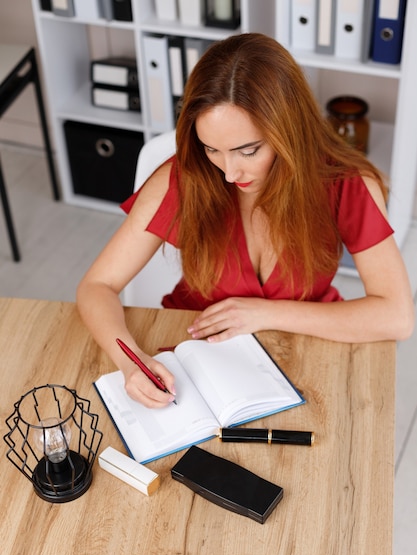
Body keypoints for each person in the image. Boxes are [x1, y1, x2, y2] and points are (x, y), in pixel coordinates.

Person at [77, 33, 414, 408]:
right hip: (196, 358)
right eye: (212, 150)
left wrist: (264, 313)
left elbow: (397, 315)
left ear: (290, 130)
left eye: (248, 150)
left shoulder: (346, 184)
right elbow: (97, 285)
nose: (228, 172)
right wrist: (131, 363)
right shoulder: (184, 178)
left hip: (307, 348)